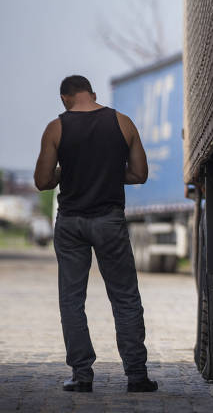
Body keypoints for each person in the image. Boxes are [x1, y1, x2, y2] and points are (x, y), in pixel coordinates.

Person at [33, 75, 157, 393]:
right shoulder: (123, 122)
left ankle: (82, 376)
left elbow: (43, 180)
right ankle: (137, 375)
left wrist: (69, 172)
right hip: (109, 221)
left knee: (72, 300)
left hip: (71, 223)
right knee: (125, 297)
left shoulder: (56, 128)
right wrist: (108, 173)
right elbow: (140, 174)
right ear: (93, 94)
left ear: (64, 99)